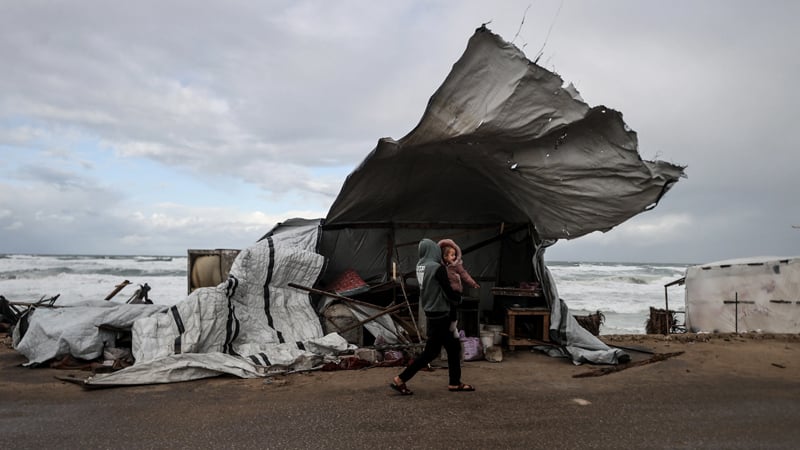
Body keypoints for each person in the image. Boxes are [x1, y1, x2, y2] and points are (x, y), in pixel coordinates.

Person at [390, 238, 475, 395]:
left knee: (445, 349)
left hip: (430, 312)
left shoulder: (420, 266)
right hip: (442, 313)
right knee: (438, 351)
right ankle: (401, 379)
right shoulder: (437, 268)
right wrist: (459, 299)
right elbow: (448, 291)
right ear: (433, 251)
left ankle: (454, 383)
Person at [438, 238, 480, 337]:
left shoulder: (456, 265)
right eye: (452, 255)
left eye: (455, 255)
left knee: (453, 308)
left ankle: (453, 325)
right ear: (444, 256)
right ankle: (448, 329)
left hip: (455, 291)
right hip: (444, 291)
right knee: (445, 310)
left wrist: (473, 283)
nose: (454, 257)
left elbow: (464, 274)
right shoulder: (440, 266)